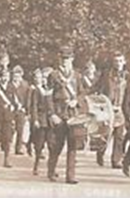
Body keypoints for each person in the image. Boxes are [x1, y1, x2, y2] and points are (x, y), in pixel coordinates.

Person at [47, 47, 84, 184]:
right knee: (56, 145)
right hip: (59, 112)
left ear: (72, 59)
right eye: (62, 58)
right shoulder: (54, 75)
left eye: (67, 58)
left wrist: (77, 101)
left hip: (72, 114)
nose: (64, 61)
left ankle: (70, 176)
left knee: (73, 145)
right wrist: (52, 114)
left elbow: (82, 93)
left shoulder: (77, 75)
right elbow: (48, 96)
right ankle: (51, 171)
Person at [96, 51, 127, 168]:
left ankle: (116, 160)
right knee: (106, 134)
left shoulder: (127, 75)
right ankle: (100, 152)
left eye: (120, 61)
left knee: (119, 135)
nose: (118, 63)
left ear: (124, 62)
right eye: (116, 61)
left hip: (120, 109)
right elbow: (98, 88)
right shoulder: (106, 75)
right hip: (107, 108)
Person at [0, 68, 16, 167]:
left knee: (7, 138)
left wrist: (12, 108)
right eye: (3, 76)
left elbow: (13, 100)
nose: (5, 78)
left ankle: (6, 159)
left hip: (8, 117)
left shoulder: (11, 87)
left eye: (6, 76)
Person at [29, 68, 51, 175]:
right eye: (43, 78)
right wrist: (35, 119)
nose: (44, 80)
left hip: (52, 121)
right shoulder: (37, 91)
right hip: (42, 120)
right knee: (39, 145)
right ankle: (36, 167)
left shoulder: (52, 90)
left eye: (47, 78)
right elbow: (34, 106)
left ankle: (51, 169)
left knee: (53, 146)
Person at [11, 65, 30, 155]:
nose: (16, 78)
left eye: (18, 76)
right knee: (9, 128)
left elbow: (28, 98)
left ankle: (18, 148)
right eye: (14, 76)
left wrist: (26, 109)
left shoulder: (25, 85)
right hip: (11, 109)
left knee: (20, 129)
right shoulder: (9, 84)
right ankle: (6, 144)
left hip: (21, 109)